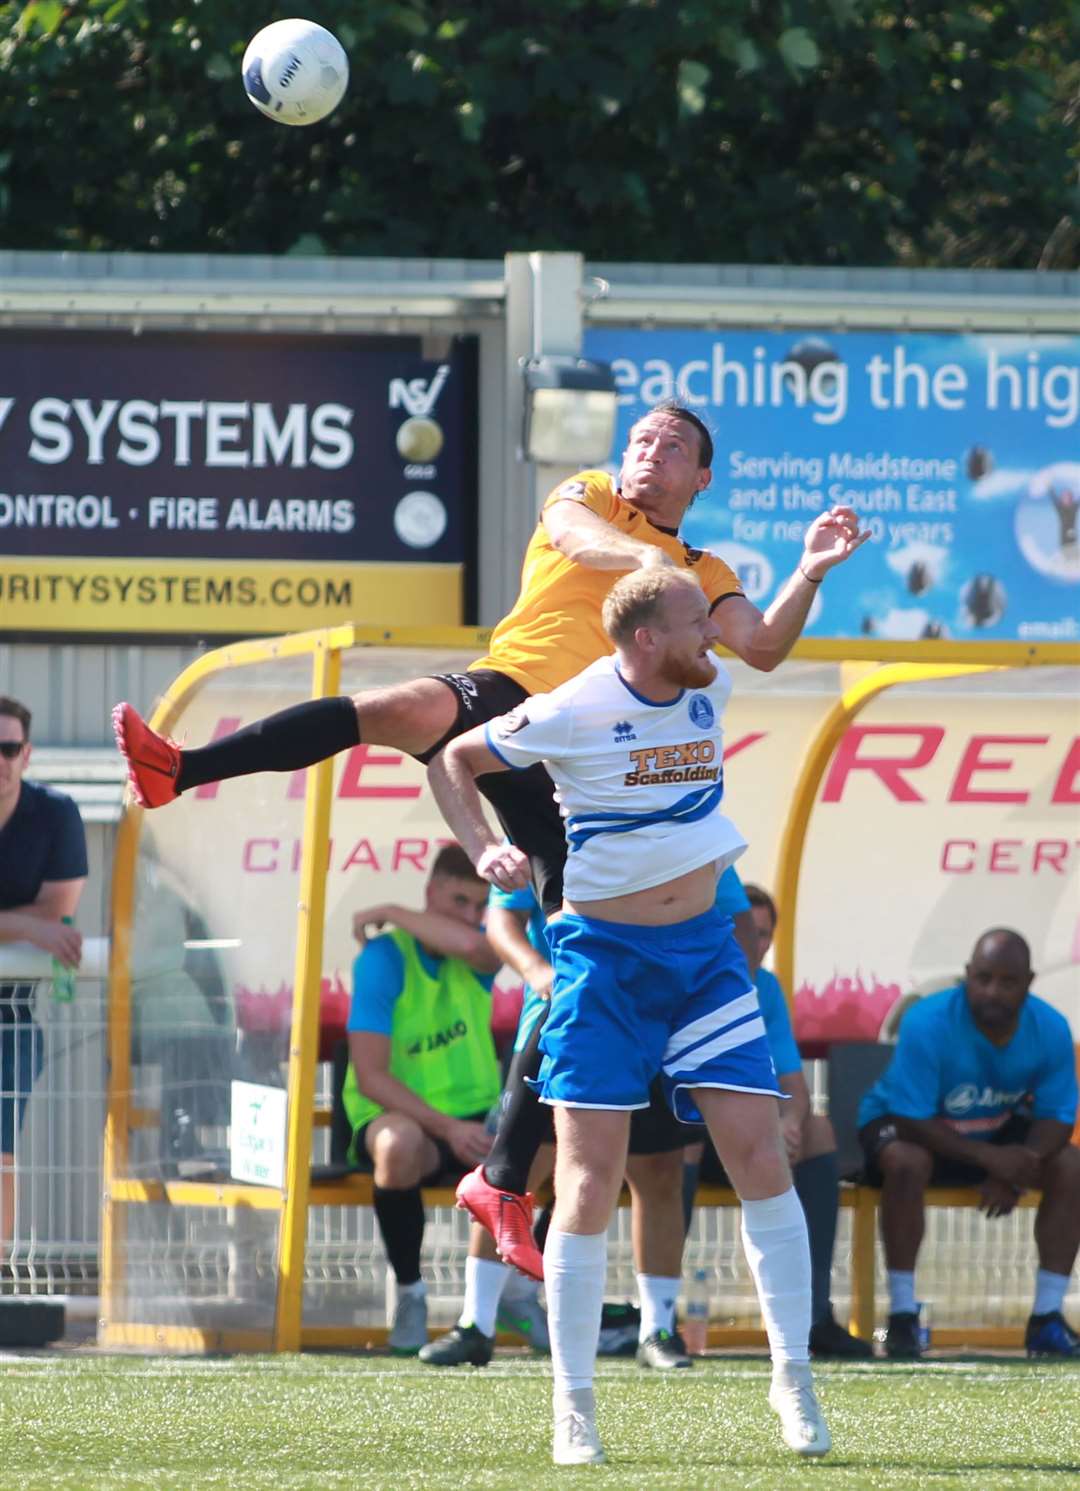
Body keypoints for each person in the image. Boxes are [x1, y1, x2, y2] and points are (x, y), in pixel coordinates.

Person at [113, 399, 867, 1265]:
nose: (650, 451)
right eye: (643, 439)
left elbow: (762, 647)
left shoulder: (705, 569)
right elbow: (589, 545)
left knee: (575, 969)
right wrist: (664, 571)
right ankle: (182, 770)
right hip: (513, 696)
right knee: (392, 709)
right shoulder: (590, 500)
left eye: (675, 447)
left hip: (580, 766)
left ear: (702, 479)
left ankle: (502, 1178)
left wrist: (807, 572)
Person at [429, 567, 833, 1465]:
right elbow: (457, 756)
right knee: (585, 1181)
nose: (716, 635)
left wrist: (809, 570)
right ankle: (574, 1408)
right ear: (645, 637)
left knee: (762, 1156)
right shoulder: (571, 707)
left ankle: (793, 1380)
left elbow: (765, 641)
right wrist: (485, 845)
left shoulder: (705, 681)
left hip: (706, 960)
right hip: (603, 965)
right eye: (701, 621)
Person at [423, 878, 706, 1372]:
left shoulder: (668, 814)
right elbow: (502, 916)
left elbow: (714, 911)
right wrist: (537, 971)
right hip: (562, 1024)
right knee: (516, 1171)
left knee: (658, 1170)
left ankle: (657, 1329)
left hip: (652, 1025)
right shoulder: (541, 815)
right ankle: (476, 1323)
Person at [857, 927, 1080, 1360]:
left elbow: (1057, 1118)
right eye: (983, 978)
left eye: (1007, 981)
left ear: (1029, 983)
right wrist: (994, 1160)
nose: (992, 991)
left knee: (1071, 1165)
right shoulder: (927, 1021)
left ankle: (1046, 1321)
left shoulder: (1051, 1028)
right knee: (905, 1162)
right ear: (966, 976)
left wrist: (1020, 1168)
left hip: (990, 1139)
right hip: (907, 1127)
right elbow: (911, 1117)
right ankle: (903, 1316)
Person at [687, 880, 871, 1359]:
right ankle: (659, 1318)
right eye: (746, 928)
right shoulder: (686, 976)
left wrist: (790, 1122)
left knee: (819, 1130)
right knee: (678, 1141)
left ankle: (815, 1316)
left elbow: (793, 1078)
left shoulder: (765, 987)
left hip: (753, 1138)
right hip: (689, 1135)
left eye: (764, 934)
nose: (755, 942)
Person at [342, 843, 503, 1354]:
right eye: (459, 901)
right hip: (415, 1123)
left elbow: (478, 948)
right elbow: (370, 1077)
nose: (474, 918)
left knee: (557, 1142)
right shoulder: (385, 958)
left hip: (480, 1122)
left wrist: (390, 912)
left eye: (483, 908)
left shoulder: (481, 951)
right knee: (397, 1145)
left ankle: (520, 1291)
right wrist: (447, 1127)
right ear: (429, 894)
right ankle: (410, 1293)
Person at [0, 696, 87, 1259]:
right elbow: (39, 924)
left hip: (10, 1012)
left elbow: (57, 915)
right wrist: (20, 926)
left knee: (1, 1153)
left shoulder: (55, 814)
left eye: (8, 748)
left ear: (26, 754)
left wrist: (37, 927)